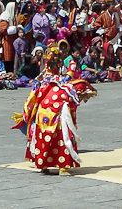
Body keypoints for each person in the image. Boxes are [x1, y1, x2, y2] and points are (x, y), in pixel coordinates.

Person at [11, 46, 97, 175]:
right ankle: (63, 166)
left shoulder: (42, 81)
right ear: (59, 63)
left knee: (44, 134)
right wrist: (71, 65)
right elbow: (72, 79)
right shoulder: (62, 82)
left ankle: (43, 164)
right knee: (62, 136)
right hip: (59, 111)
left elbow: (32, 98)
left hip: (43, 112)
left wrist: (27, 113)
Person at [0, 2, 18, 72]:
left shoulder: (13, 16)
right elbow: (2, 30)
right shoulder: (4, 16)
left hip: (13, 41)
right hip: (7, 41)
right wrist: (15, 29)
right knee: (7, 58)